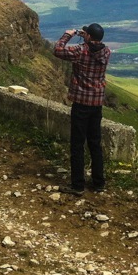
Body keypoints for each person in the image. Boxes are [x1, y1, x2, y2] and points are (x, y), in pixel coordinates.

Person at [53, 23, 111, 196]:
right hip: (97, 103)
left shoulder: (80, 52)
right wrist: (86, 35)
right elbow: (94, 46)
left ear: (87, 36)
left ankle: (78, 185)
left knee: (77, 144)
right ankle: (99, 182)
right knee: (95, 142)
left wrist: (68, 34)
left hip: (81, 103)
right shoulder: (106, 52)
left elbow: (58, 50)